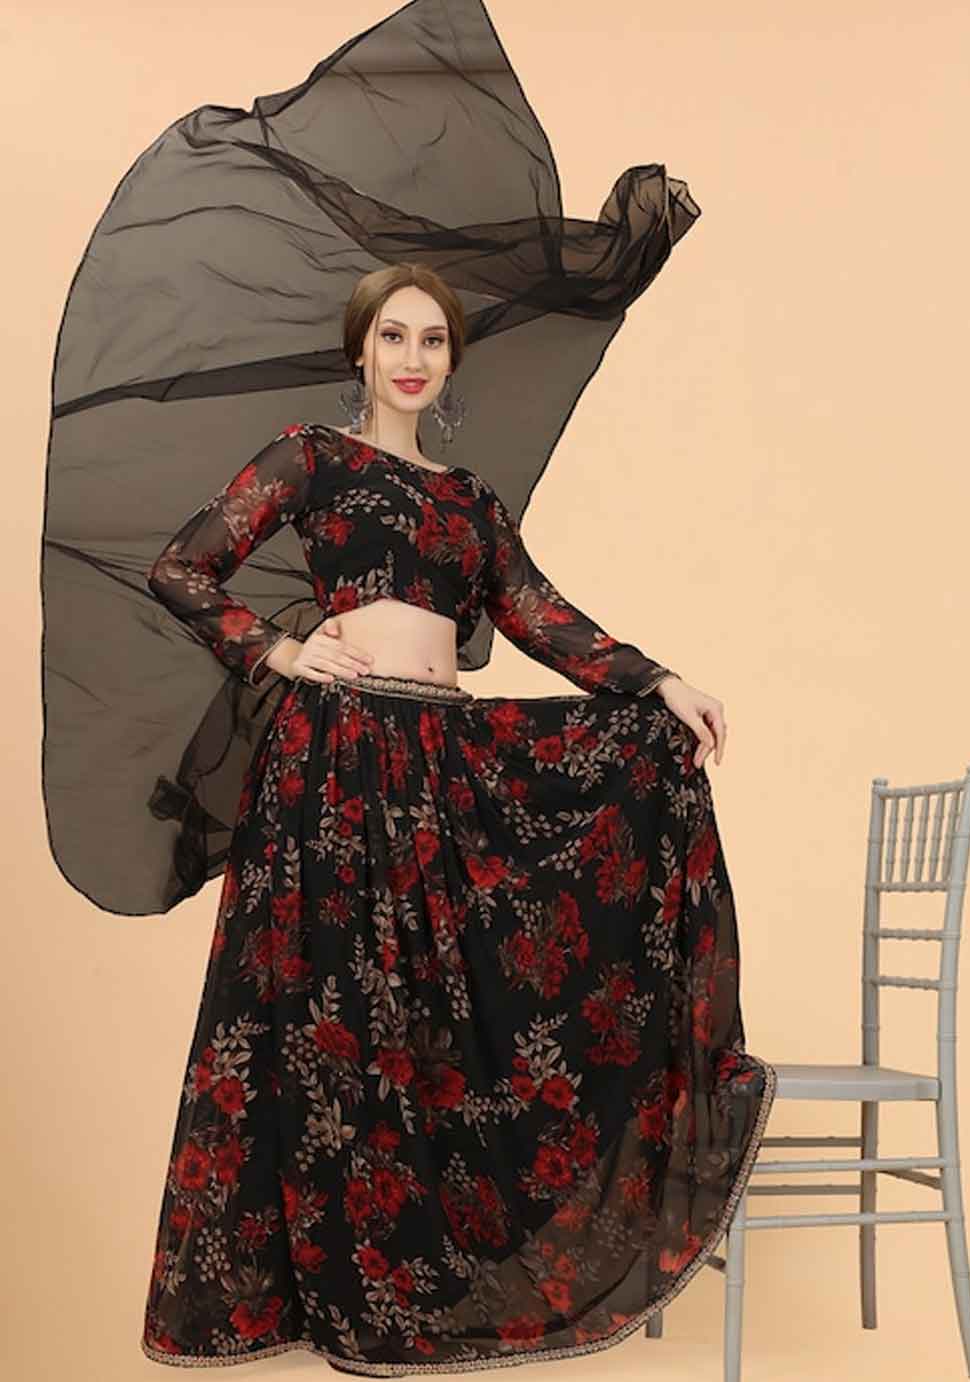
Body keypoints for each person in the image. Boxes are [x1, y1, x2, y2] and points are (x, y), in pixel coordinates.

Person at [139, 261, 776, 1375]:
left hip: (438, 762)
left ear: (449, 361)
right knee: (335, 1018)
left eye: (432, 340)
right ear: (361, 349)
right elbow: (182, 567)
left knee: (427, 1021)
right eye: (394, 336)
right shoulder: (312, 457)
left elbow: (537, 613)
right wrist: (278, 651)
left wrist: (658, 679)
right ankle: (334, 1297)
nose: (413, 358)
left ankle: (414, 1287)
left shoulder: (471, 500)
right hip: (334, 761)